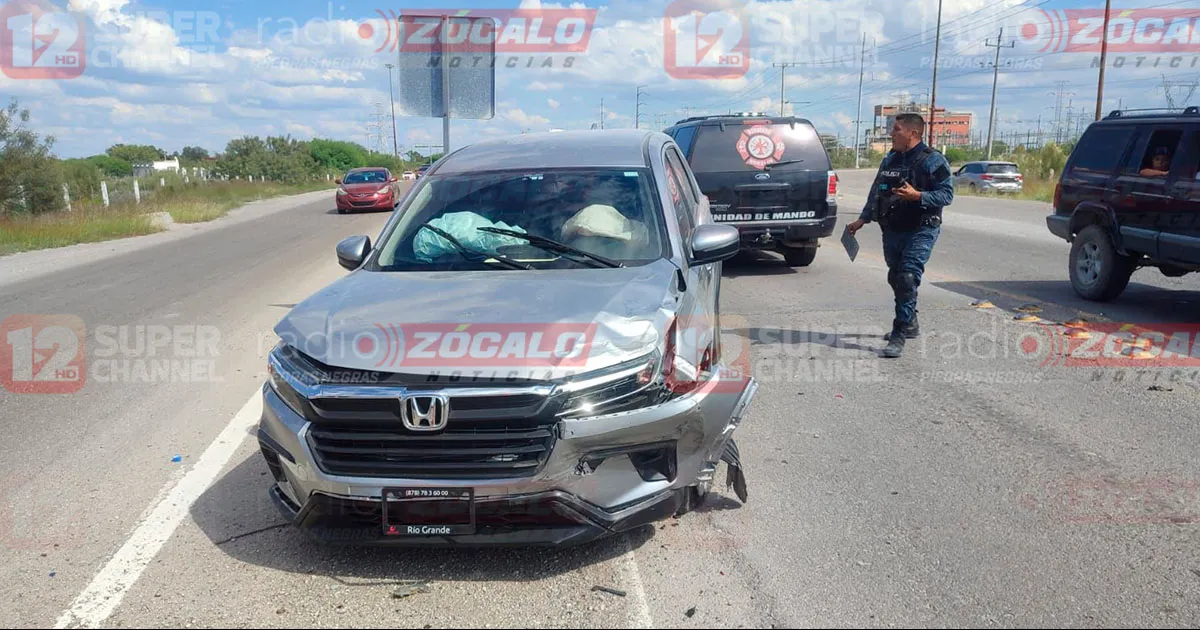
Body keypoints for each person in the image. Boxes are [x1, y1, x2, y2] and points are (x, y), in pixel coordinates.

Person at [846, 113, 955, 358]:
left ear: (913, 134)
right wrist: (862, 219)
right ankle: (911, 321)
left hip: (921, 228)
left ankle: (899, 333)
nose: (891, 134)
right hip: (893, 228)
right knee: (895, 277)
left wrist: (919, 196)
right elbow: (877, 191)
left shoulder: (933, 161)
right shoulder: (891, 160)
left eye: (896, 130)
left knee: (907, 277)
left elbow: (947, 195)